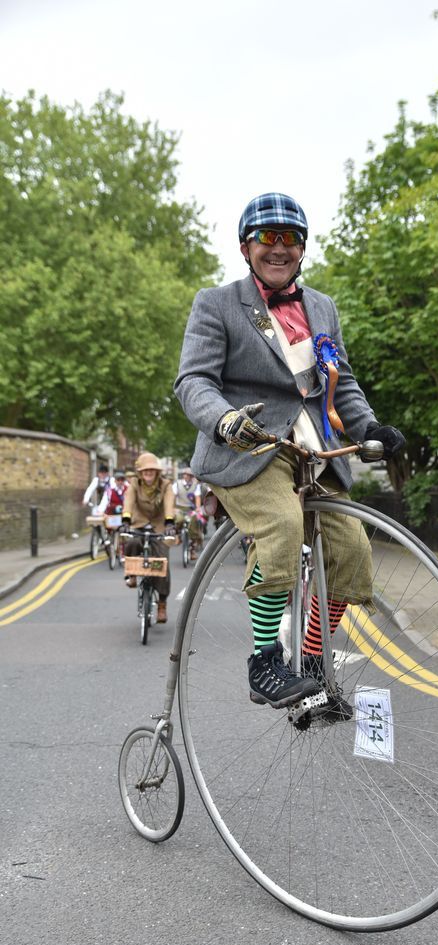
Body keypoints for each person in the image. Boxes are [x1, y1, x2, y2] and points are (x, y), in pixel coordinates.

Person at [175, 191, 405, 710]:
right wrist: (223, 420)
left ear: (302, 248)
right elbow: (193, 382)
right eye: (267, 238)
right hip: (249, 447)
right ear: (245, 246)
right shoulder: (216, 302)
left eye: (290, 239)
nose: (278, 248)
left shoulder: (322, 306)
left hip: (312, 450)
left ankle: (314, 663)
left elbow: (338, 382)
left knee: (352, 551)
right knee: (280, 525)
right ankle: (264, 664)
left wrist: (370, 427)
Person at [121, 452, 176, 624]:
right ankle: (132, 575)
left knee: (162, 562)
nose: (148, 475)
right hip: (138, 522)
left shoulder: (165, 485)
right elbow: (128, 501)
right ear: (140, 473)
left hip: (159, 525)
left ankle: (161, 604)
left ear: (157, 472)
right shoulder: (134, 484)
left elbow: (169, 503)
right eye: (145, 472)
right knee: (131, 542)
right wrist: (126, 520)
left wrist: (169, 523)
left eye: (151, 471)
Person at [172, 468, 205, 559]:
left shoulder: (196, 485)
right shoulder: (177, 484)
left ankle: (192, 550)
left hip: (191, 509)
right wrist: (173, 508)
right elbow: (173, 497)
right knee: (179, 519)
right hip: (179, 508)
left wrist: (198, 509)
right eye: (186, 474)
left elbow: (197, 497)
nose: (188, 476)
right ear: (183, 475)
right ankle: (178, 535)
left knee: (194, 526)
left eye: (190, 475)